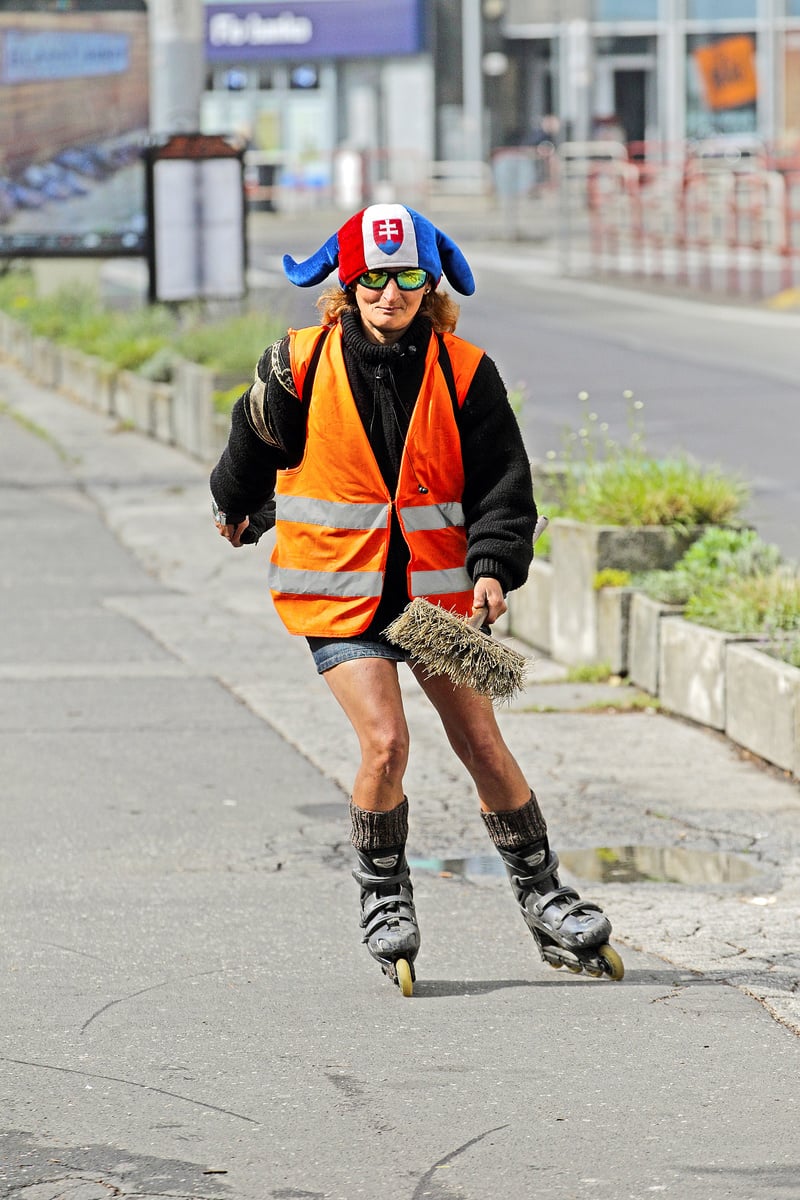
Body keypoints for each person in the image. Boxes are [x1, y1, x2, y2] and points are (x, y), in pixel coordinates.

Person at [210, 203, 622, 994]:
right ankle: (384, 895)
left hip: (439, 600)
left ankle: (544, 897)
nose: (388, 294)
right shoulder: (296, 364)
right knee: (386, 745)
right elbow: (249, 447)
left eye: (405, 279)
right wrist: (236, 504)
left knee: (484, 745)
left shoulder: (467, 369)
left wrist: (495, 564)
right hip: (342, 595)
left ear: (427, 286)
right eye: (372, 279)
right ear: (347, 284)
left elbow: (506, 483)